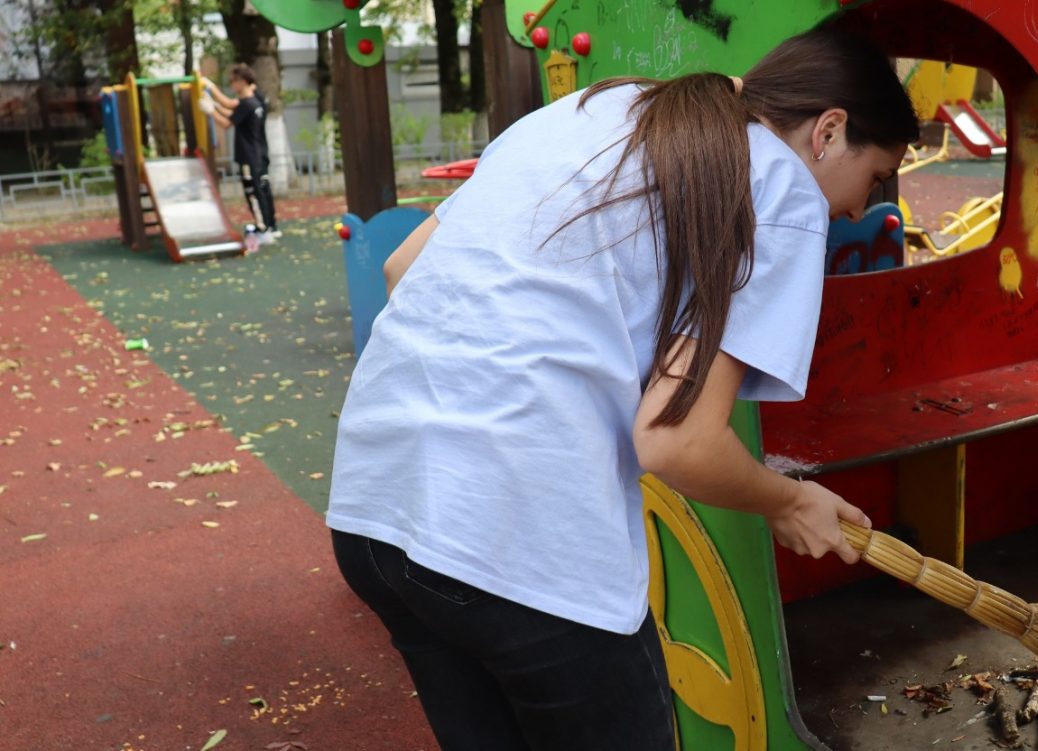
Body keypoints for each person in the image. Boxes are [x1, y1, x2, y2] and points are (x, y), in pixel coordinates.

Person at [326, 25, 919, 750]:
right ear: (828, 131)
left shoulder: (591, 110)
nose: (861, 209)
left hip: (372, 510)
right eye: (876, 178)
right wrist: (789, 500)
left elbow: (401, 271)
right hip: (518, 537)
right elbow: (678, 438)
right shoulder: (780, 184)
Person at [201, 64, 280, 245]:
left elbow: (227, 122)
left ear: (242, 82)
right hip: (260, 153)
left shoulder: (247, 103)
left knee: (254, 192)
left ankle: (262, 228)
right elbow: (232, 111)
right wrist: (214, 104)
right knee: (263, 189)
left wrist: (210, 110)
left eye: (233, 81)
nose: (232, 86)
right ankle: (271, 225)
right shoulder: (255, 101)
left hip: (249, 156)